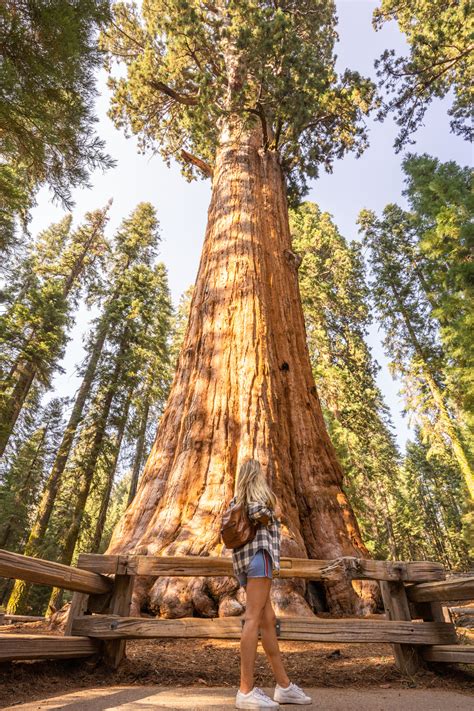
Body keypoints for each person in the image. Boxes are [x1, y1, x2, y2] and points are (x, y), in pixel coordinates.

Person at [230, 458, 312, 709]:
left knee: (267, 621)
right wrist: (274, 512)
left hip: (244, 566)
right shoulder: (255, 504)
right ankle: (245, 690)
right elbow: (263, 514)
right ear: (256, 478)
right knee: (253, 619)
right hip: (259, 562)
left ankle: (284, 686)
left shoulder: (236, 502)